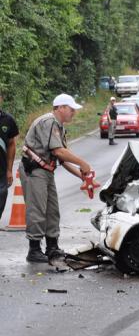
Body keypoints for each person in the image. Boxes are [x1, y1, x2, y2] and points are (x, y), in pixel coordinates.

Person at [19, 94, 100, 263]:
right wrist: (83, 163)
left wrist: (82, 177)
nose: (73, 113)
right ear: (61, 107)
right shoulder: (48, 122)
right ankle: (34, 250)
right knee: (37, 209)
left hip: (46, 170)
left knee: (52, 210)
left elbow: (62, 159)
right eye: (71, 109)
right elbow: (58, 151)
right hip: (34, 170)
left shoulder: (59, 127)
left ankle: (52, 247)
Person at [0, 90, 19, 221]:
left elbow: (11, 144)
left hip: (1, 169)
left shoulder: (8, 120)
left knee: (2, 194)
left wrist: (9, 170)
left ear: (1, 99)